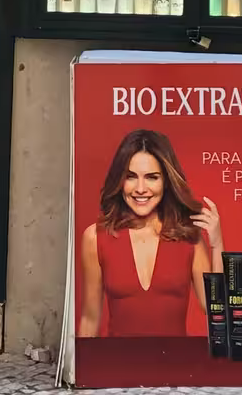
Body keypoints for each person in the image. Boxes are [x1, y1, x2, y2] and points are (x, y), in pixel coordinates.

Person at [77, 129, 223, 338]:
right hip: (119, 366)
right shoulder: (95, 238)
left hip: (176, 366)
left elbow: (216, 312)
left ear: (166, 181)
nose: (141, 188)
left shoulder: (188, 238)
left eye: (152, 177)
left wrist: (217, 245)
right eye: (130, 177)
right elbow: (90, 320)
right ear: (120, 181)